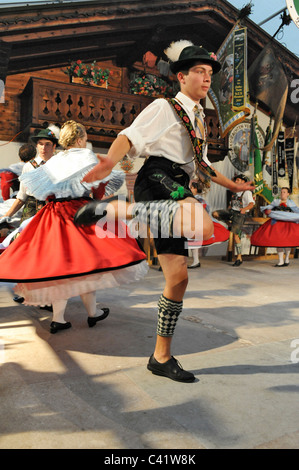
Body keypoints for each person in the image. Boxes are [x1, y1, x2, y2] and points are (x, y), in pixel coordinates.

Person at [74, 40, 254, 382]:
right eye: (199, 72)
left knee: (178, 279)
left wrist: (235, 187)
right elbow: (131, 136)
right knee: (202, 226)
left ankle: (161, 357)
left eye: (209, 73)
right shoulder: (165, 107)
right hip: (157, 177)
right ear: (181, 77)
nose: (206, 78)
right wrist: (110, 161)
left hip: (175, 183)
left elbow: (202, 165)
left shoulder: (199, 118)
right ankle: (111, 213)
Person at [0, 120, 148, 333]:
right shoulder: (87, 156)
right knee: (87, 268)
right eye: (86, 138)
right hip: (80, 212)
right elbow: (98, 190)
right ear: (79, 139)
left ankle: (60, 319)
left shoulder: (54, 161)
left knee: (62, 268)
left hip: (54, 214)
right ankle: (92, 314)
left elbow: (45, 193)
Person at [1, 128, 58, 223]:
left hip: (53, 209)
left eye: (47, 144)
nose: (43, 148)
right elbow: (21, 197)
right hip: (31, 209)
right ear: (37, 145)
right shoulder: (28, 166)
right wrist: (7, 215)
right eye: (41, 144)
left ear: (54, 146)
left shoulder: (59, 165)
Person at [251, 187, 299, 267]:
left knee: (287, 243)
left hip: (288, 224)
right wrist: (267, 210)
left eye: (284, 192)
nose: (282, 194)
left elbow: (297, 211)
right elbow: (268, 208)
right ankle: (280, 261)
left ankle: (287, 258)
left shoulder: (291, 203)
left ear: (288, 194)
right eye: (281, 192)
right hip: (277, 224)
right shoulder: (276, 201)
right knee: (278, 242)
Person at [213, 174, 255, 266]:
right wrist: (228, 210)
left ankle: (239, 257)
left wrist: (244, 209)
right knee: (215, 214)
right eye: (236, 180)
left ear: (243, 182)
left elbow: (251, 204)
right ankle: (230, 224)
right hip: (232, 212)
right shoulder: (235, 192)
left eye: (238, 180)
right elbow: (231, 203)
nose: (236, 181)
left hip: (240, 215)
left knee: (236, 236)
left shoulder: (247, 192)